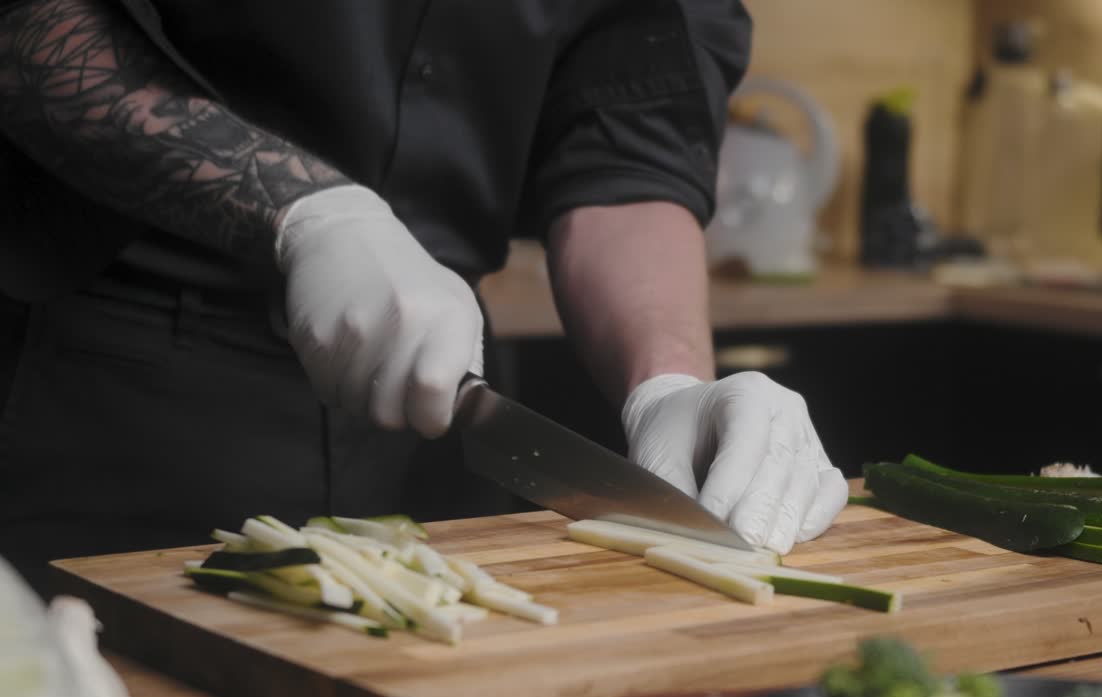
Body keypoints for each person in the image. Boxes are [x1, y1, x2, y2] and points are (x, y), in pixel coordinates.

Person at [0, 0, 848, 594]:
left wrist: (668, 382)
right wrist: (304, 211)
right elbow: (28, 29)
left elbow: (630, 145)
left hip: (435, 416)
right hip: (106, 390)